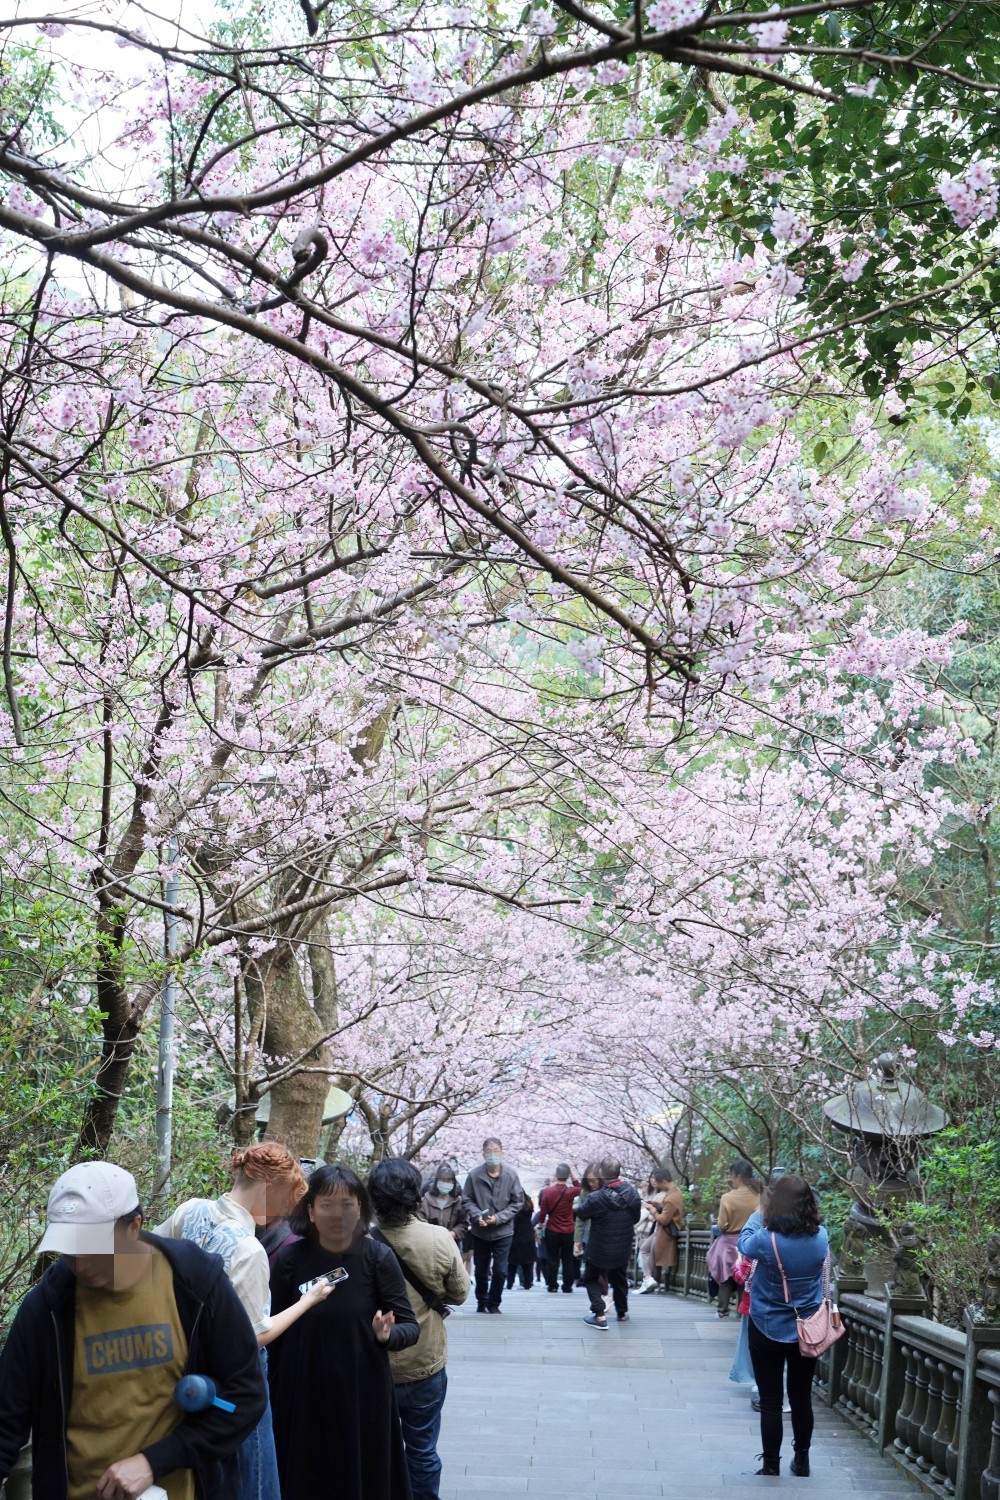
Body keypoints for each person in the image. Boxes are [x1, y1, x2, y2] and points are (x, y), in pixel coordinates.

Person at [0, 1160, 266, 1500]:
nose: (81, 1264)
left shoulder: (195, 1285)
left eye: (95, 1247)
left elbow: (244, 1397)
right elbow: (7, 1420)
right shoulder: (48, 1309)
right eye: (70, 1250)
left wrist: (155, 1460)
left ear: (134, 1226)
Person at [155, 1142, 333, 1500]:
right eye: (288, 1198)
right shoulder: (247, 1249)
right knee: (256, 1477)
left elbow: (149, 1258)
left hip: (182, 1363)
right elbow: (254, 1337)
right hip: (236, 1378)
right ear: (272, 1187)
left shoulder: (191, 1211)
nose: (287, 1210)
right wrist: (308, 1301)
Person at [268, 1163, 420, 1500]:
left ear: (360, 1210)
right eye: (326, 1205)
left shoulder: (377, 1257)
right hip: (301, 1395)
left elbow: (410, 1327)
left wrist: (387, 1335)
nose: (337, 1215)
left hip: (361, 1396)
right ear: (310, 1210)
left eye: (347, 1205)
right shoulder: (291, 1259)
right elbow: (272, 1327)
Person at [368, 1159, 471, 1500]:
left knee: (374, 1448)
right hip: (423, 1363)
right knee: (422, 1449)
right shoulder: (438, 1238)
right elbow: (459, 1293)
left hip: (372, 1365)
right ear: (416, 1194)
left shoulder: (357, 1242)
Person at [738, 1174, 832, 1477]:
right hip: (807, 1328)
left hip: (766, 1324)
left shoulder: (766, 1239)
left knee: (770, 1400)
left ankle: (770, 1464)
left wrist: (758, 1213)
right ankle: (802, 1460)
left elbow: (744, 1245)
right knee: (801, 1396)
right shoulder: (822, 1237)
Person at [574, 1158, 641, 1328]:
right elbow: (636, 1218)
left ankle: (599, 1316)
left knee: (590, 1278)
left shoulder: (596, 1197)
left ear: (602, 1173)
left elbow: (581, 1213)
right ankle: (622, 1313)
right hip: (622, 1245)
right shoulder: (633, 1193)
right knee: (619, 1278)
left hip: (599, 1247)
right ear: (619, 1171)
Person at [461, 1138, 525, 1313]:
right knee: (481, 1270)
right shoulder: (474, 1175)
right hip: (480, 1232)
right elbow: (466, 1199)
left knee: (500, 1270)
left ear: (502, 1153)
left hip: (503, 1231)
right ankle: (482, 1301)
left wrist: (498, 1218)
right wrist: (476, 1215)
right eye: (488, 1151)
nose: (492, 1154)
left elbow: (517, 1202)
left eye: (496, 1150)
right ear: (483, 1154)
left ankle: (494, 1303)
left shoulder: (511, 1175)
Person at [706, 1159, 760, 1319]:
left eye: (732, 1175)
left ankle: (722, 1311)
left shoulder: (727, 1198)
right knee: (745, 1278)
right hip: (749, 1243)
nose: (730, 1179)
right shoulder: (758, 1198)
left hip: (728, 1243)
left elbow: (722, 1225)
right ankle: (741, 1311)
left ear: (737, 1177)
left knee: (726, 1278)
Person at [638, 1169, 683, 1294]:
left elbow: (664, 1219)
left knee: (650, 1253)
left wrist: (652, 1210)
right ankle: (648, 1280)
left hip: (665, 1231)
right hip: (661, 1231)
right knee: (647, 1251)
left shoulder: (671, 1197)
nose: (656, 1186)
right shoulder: (673, 1192)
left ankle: (650, 1281)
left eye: (658, 1183)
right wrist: (657, 1205)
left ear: (663, 1181)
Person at [537, 1165, 581, 1294]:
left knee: (552, 1259)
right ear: (567, 1176)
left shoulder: (547, 1192)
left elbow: (543, 1212)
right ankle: (567, 1286)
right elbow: (581, 1189)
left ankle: (552, 1285)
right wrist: (573, 1177)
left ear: (556, 1176)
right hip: (568, 1230)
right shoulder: (571, 1191)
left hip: (552, 1230)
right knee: (568, 1259)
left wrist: (539, 1227)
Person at [420, 1161, 470, 1247]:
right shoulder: (425, 1201)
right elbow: (420, 1223)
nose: (445, 1184)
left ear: (454, 1183)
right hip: (430, 1245)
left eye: (449, 1181)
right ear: (436, 1181)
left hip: (452, 1245)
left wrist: (454, 1233)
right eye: (442, 1180)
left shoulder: (458, 1201)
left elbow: (464, 1223)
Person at [573, 1163, 601, 1287]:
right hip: (588, 1232)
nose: (592, 1184)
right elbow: (580, 1217)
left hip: (605, 1232)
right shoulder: (584, 1193)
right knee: (590, 1260)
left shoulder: (607, 1191)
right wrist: (577, 1239)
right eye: (589, 1181)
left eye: (594, 1181)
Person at [506, 1193, 537, 1289]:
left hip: (515, 1237)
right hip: (528, 1235)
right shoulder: (529, 1206)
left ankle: (509, 1284)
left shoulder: (515, 1208)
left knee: (512, 1263)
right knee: (527, 1263)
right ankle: (527, 1284)